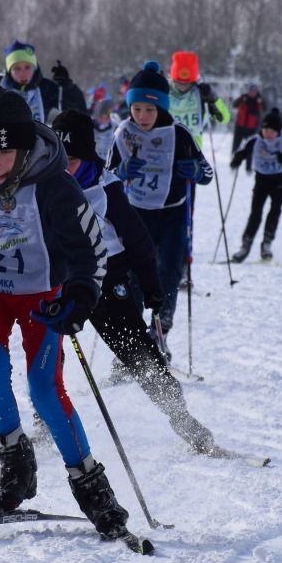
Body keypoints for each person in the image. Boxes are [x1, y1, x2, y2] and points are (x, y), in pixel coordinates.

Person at [0, 86, 139, 542]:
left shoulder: (54, 183)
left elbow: (90, 251)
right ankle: (16, 463)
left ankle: (90, 483)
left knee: (44, 389)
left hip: (43, 294)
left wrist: (80, 296)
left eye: (4, 154)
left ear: (22, 146)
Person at [52, 109, 217, 453]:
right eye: (58, 158)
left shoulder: (105, 187)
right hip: (61, 280)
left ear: (86, 156)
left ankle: (181, 419)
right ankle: (44, 422)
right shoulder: (43, 186)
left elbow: (139, 241)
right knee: (47, 354)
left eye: (72, 160)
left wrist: (152, 288)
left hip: (106, 282)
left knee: (142, 355)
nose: (64, 167)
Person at [105, 61, 212, 358]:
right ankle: (134, 344)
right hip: (136, 214)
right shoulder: (123, 133)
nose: (142, 116)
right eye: (137, 108)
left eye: (150, 110)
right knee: (136, 277)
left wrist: (195, 171)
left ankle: (160, 335)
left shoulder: (180, 135)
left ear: (162, 108)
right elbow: (105, 174)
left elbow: (207, 174)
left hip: (173, 215)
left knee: (168, 275)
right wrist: (122, 170)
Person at [0, 40, 87, 124]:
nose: (23, 73)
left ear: (34, 67)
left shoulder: (46, 88)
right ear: (9, 70)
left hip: (36, 148)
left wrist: (67, 87)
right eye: (17, 68)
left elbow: (80, 113)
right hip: (1, 147)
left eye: (27, 67)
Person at [229, 108, 282, 262]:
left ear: (278, 131)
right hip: (261, 179)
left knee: (275, 211)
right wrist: (237, 160)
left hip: (279, 180)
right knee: (255, 213)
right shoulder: (255, 140)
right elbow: (240, 152)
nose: (268, 133)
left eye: (272, 131)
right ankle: (245, 246)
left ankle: (267, 244)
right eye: (265, 129)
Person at [167, 51, 230, 150]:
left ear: (193, 81)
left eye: (187, 83)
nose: (183, 87)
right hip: (166, 147)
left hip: (192, 150)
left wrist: (212, 98)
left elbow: (224, 118)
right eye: (179, 83)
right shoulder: (165, 91)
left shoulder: (201, 93)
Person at [232, 83, 265, 152]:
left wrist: (261, 102)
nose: (252, 93)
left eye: (254, 91)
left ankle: (249, 162)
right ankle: (233, 159)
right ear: (248, 91)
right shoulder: (244, 97)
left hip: (252, 128)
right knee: (236, 146)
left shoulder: (259, 100)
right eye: (251, 91)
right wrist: (241, 99)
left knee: (250, 148)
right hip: (240, 126)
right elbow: (235, 105)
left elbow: (264, 109)